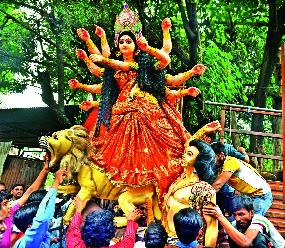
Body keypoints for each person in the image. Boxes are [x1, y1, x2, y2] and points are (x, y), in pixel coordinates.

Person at [71, 4, 207, 206]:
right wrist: (90, 45)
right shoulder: (112, 71)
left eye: (129, 41)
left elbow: (165, 58)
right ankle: (123, 200)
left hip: (148, 112)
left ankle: (166, 193)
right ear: (118, 45)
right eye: (122, 41)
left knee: (167, 152)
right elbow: (96, 70)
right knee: (117, 158)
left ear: (137, 44)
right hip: (121, 116)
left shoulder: (143, 66)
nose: (125, 44)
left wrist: (165, 35)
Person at [162, 139, 218, 247]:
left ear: (199, 161)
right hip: (168, 239)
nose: (183, 155)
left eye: (189, 154)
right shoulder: (178, 180)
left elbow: (211, 225)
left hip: (188, 244)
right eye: (185, 152)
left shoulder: (204, 189)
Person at [0, 157, 51, 248]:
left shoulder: (8, 212)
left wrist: (45, 170)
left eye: (2, 191)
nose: (0, 195)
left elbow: (30, 191)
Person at [211, 142, 273, 216]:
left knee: (252, 223)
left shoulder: (230, 162)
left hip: (260, 195)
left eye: (212, 157)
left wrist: (203, 194)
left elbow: (218, 184)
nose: (210, 160)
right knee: (236, 222)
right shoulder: (223, 166)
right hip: (251, 196)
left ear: (221, 155)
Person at [13, 167, 67, 248]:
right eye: (43, 212)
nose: (49, 218)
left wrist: (50, 240)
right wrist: (56, 182)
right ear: (31, 226)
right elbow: (43, 217)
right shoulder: (29, 243)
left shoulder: (35, 240)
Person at [203, 195, 285, 248]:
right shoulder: (236, 223)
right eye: (234, 215)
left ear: (251, 213)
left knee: (258, 239)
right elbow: (220, 234)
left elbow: (245, 243)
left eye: (241, 214)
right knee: (233, 235)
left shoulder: (259, 220)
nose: (237, 218)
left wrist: (220, 217)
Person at [66, 196, 142, 248]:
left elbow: (73, 230)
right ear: (112, 235)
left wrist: (78, 210)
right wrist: (131, 221)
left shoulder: (73, 245)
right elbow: (128, 240)